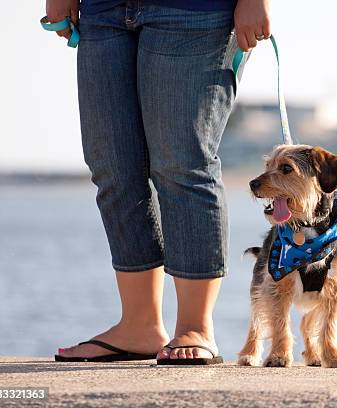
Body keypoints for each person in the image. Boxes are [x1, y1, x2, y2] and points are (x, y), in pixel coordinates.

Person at [48, 0, 270, 363]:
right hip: (103, 10)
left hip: (196, 11)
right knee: (114, 167)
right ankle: (139, 325)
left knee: (182, 165)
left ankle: (196, 327)